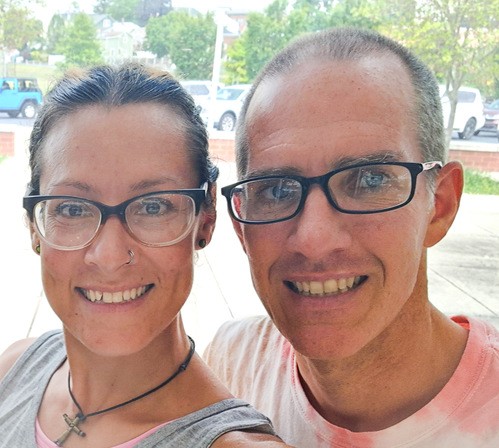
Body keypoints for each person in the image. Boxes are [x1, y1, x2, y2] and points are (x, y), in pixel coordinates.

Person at [204, 27, 499, 447]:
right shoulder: (230, 368)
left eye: (369, 180)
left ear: (440, 205)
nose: (314, 240)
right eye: (277, 191)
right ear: (241, 226)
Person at [0, 63, 291, 448]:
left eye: (153, 207)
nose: (110, 256)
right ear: (34, 227)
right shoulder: (15, 370)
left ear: (205, 220)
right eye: (72, 209)